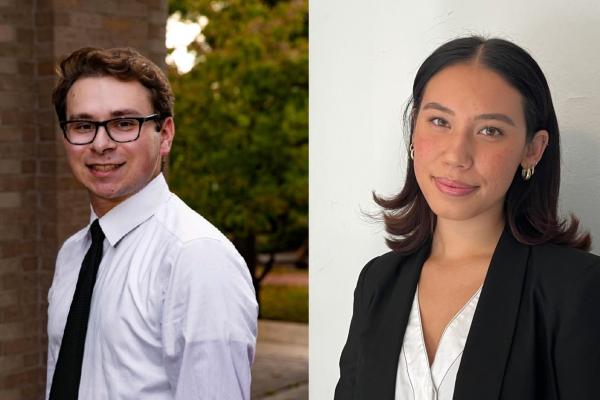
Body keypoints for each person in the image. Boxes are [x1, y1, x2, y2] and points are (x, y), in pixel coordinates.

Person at [335, 36, 600, 399]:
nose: (457, 155)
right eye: (440, 121)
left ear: (532, 150)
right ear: (414, 129)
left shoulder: (577, 288)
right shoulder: (378, 282)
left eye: (489, 130)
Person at [46, 47, 258, 399]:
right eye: (83, 125)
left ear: (166, 135)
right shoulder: (72, 255)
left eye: (124, 123)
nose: (101, 143)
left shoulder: (196, 257)